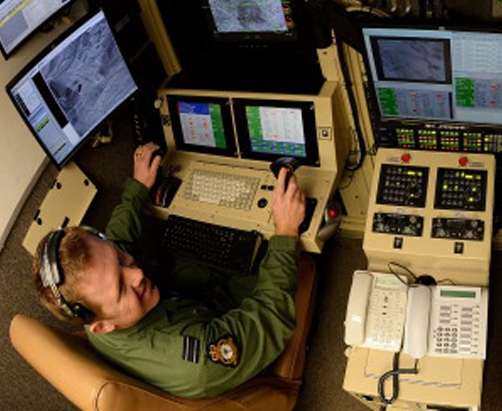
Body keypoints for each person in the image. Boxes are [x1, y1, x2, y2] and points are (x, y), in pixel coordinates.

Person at [32, 142, 307, 398]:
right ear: (102, 326)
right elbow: (271, 318)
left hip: (188, 302)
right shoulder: (197, 360)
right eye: (120, 286)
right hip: (243, 339)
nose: (137, 274)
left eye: (120, 259)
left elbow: (119, 238)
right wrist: (285, 232)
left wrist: (138, 189)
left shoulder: (94, 301)